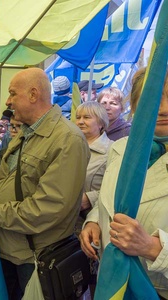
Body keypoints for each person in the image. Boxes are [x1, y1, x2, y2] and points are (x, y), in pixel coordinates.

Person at [0, 68, 90, 299]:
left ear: (33, 94)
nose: (8, 101)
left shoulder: (68, 140)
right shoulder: (26, 133)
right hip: (10, 249)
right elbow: (10, 178)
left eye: (12, 94)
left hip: (36, 257)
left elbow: (48, 209)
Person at [80, 67, 168, 298]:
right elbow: (108, 199)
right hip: (111, 280)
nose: (163, 109)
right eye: (153, 98)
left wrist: (153, 248)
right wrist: (93, 222)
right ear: (136, 106)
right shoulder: (120, 148)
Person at [74, 101, 113, 297]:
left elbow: (115, 188)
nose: (80, 121)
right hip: (67, 224)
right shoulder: (70, 146)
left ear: (101, 123)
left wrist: (89, 197)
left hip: (95, 226)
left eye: (87, 117)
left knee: (93, 280)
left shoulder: (112, 151)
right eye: (78, 117)